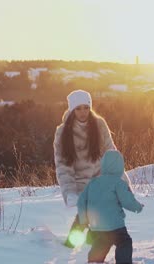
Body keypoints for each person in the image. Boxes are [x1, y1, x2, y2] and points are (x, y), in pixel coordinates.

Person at [53, 89, 130, 248]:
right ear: (72, 109)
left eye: (86, 107)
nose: (83, 112)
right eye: (78, 108)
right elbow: (63, 165)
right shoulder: (63, 132)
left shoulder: (99, 124)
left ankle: (84, 240)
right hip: (79, 180)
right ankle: (70, 245)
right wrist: (70, 192)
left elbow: (111, 153)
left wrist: (123, 182)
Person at [77, 150, 143, 264]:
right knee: (124, 242)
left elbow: (81, 202)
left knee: (101, 242)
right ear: (120, 166)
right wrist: (138, 207)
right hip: (115, 225)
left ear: (103, 165)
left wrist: (84, 219)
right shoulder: (118, 183)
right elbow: (127, 201)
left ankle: (94, 261)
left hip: (97, 225)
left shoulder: (93, 183)